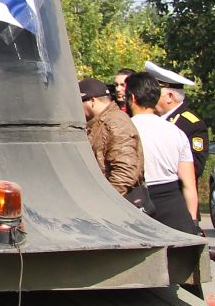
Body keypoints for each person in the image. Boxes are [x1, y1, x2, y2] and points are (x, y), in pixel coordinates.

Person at [129, 72, 201, 235]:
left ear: (132, 98)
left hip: (137, 201)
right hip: (173, 205)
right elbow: (189, 184)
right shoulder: (176, 132)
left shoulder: (124, 129)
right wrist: (193, 223)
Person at [80, 78, 144, 203]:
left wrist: (103, 202)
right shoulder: (100, 122)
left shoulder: (115, 123)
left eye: (79, 103)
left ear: (92, 101)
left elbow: (125, 173)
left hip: (117, 205)